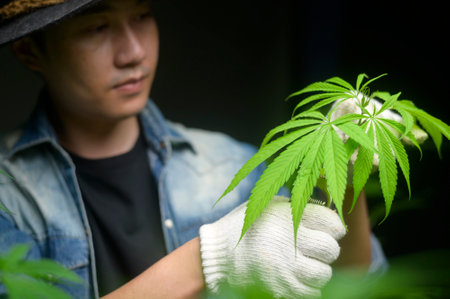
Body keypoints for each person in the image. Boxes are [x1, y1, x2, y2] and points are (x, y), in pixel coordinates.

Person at [0, 0, 387, 298]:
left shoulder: (229, 165)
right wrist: (209, 259)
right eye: (97, 27)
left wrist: (346, 186)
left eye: (141, 16)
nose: (133, 52)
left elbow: (351, 285)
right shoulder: (8, 195)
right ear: (29, 51)